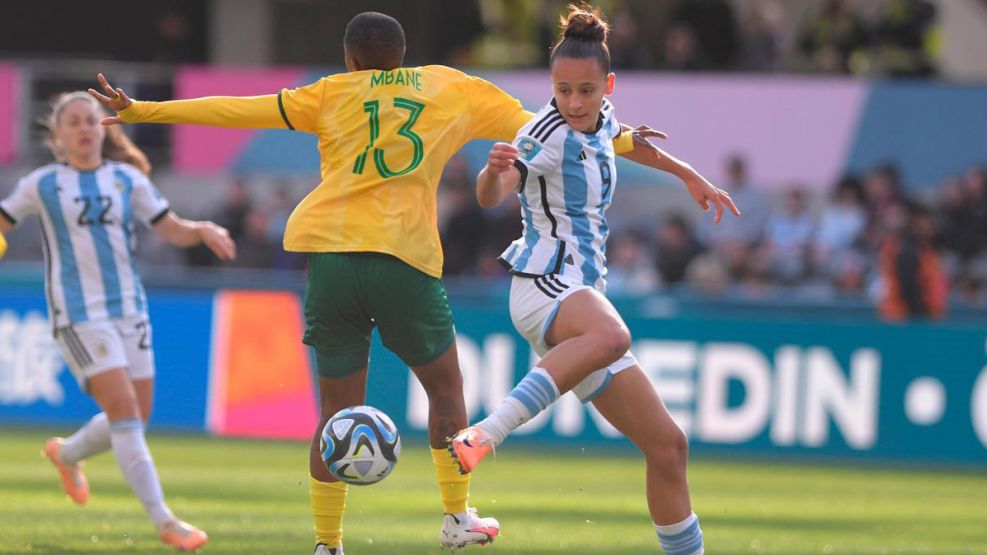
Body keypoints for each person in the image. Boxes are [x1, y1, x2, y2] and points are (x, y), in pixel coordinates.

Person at [88, 11, 693, 554]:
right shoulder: (447, 86)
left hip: (328, 258)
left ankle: (328, 544)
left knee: (334, 414)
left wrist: (144, 111)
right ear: (401, 59)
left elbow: (238, 107)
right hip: (402, 258)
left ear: (350, 60)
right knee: (446, 394)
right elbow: (551, 124)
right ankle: (457, 517)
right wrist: (625, 139)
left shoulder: (327, 93)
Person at [450, 6, 739, 555]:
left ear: (608, 85)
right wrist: (492, 172)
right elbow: (498, 190)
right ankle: (487, 433)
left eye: (586, 91)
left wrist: (689, 176)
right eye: (563, 90)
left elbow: (625, 140)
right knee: (614, 336)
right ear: (551, 86)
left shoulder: (600, 118)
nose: (574, 103)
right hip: (544, 283)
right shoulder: (544, 132)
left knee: (668, 446)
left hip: (581, 299)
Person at [0, 91, 236, 551]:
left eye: (91, 120)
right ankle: (165, 520)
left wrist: (202, 229)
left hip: (130, 310)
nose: (85, 129)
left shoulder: (127, 180)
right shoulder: (42, 183)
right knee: (125, 414)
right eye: (74, 122)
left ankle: (67, 454)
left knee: (134, 418)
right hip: (78, 314)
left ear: (103, 128)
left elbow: (170, 227)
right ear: (58, 135)